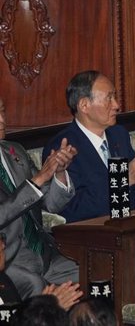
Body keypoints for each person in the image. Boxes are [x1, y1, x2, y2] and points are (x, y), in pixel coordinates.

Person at [42, 71, 135, 222]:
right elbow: (72, 209)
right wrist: (122, 181)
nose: (116, 105)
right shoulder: (63, 148)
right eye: (109, 98)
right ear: (84, 105)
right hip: (98, 232)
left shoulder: (118, 134)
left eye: (114, 97)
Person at [0, 97, 80, 298]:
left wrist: (59, 173)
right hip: (9, 260)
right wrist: (36, 181)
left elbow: (50, 203)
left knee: (87, 274)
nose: (2, 120)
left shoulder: (14, 150)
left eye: (2, 111)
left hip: (43, 251)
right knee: (37, 287)